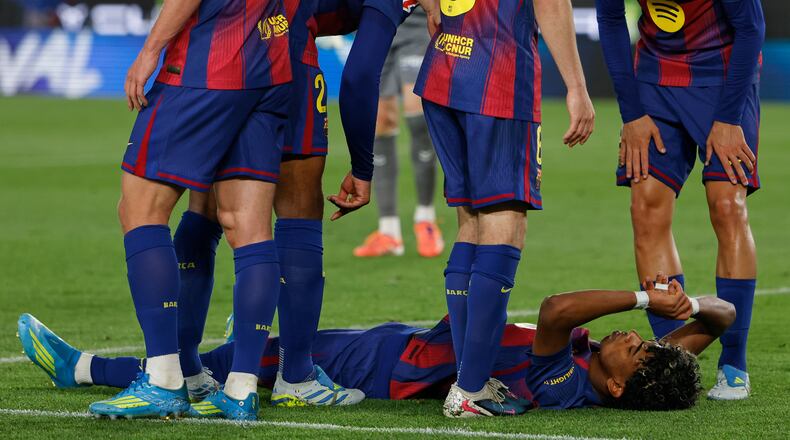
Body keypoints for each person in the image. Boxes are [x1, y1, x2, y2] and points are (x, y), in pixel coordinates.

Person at [18, 274, 736, 413]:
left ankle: (84, 368)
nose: (632, 339)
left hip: (388, 365)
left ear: (617, 385)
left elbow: (554, 309)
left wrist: (645, 298)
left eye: (636, 349)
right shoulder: (619, 375)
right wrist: (689, 309)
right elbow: (722, 318)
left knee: (232, 360)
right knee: (262, 349)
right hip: (403, 347)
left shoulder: (564, 382)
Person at [107, 0, 292, 421]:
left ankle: (162, 379)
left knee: (140, 208)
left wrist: (151, 49)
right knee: (248, 225)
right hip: (271, 64)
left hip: (209, 62)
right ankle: (242, 388)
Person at [413, 0, 595, 417]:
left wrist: (431, 7)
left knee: (471, 220)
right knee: (503, 221)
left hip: (444, 70)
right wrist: (577, 87)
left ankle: (470, 379)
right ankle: (470, 389)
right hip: (498, 77)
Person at [596, 0, 764, 400]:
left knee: (727, 206)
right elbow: (611, 17)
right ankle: (673, 358)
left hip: (724, 77)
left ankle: (733, 365)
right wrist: (632, 114)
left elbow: (751, 28)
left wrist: (729, 119)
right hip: (655, 78)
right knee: (646, 209)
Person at [352, 8, 444, 259]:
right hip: (378, 22)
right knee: (380, 121)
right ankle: (388, 231)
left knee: (418, 115)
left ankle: (426, 220)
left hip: (417, 20)